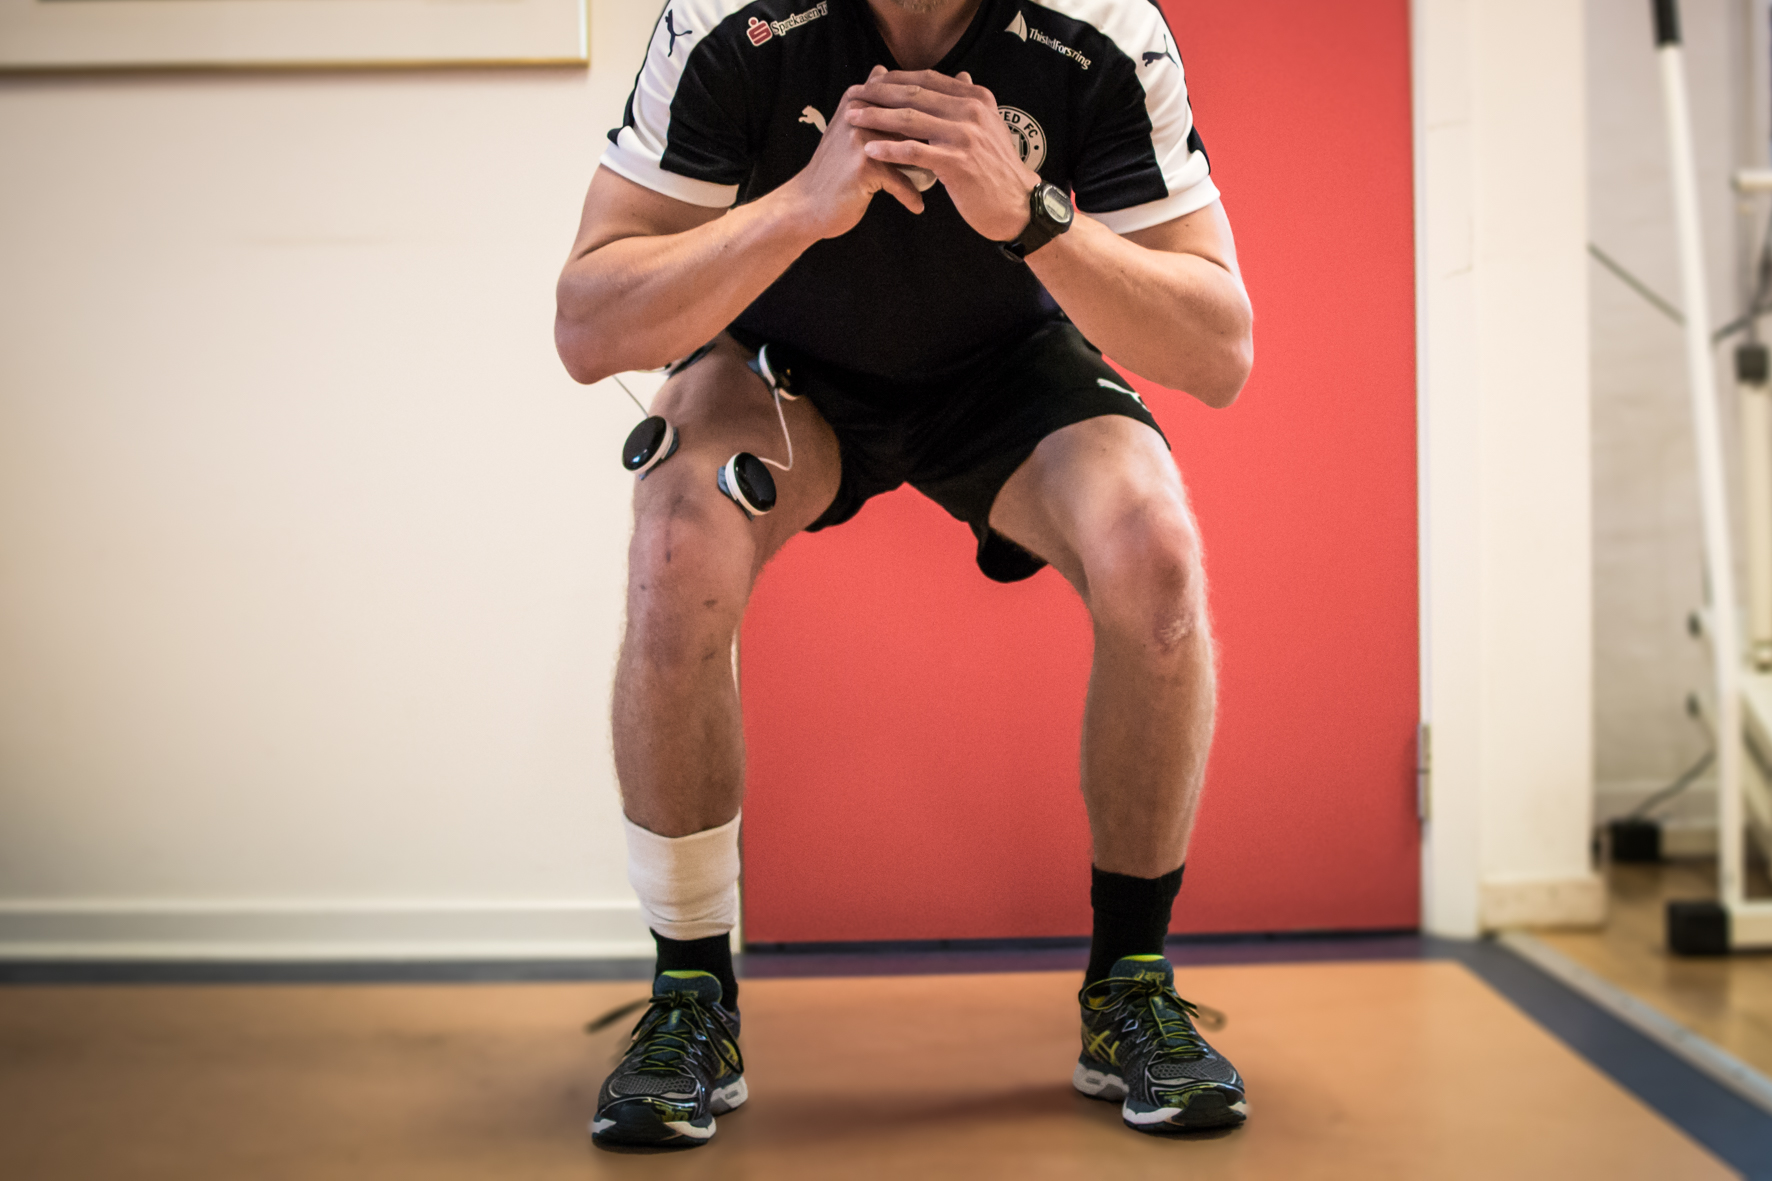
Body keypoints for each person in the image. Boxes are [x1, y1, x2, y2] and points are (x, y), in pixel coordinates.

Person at [554, 0, 1253, 1149]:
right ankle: (689, 994)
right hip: (782, 367)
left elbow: (1218, 350)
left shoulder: (1098, 28)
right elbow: (587, 327)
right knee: (676, 537)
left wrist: (1027, 214)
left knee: (1154, 551)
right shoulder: (727, 23)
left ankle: (1128, 980)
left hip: (1006, 366)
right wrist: (801, 205)